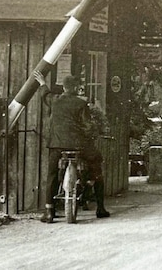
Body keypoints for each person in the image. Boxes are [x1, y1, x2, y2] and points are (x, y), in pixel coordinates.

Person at [34, 70, 110, 223]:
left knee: (52, 175)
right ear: (76, 88)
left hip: (57, 145)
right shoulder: (81, 103)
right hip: (78, 145)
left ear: (63, 88)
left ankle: (49, 211)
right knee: (96, 167)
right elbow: (88, 125)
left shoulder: (55, 100)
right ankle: (100, 208)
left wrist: (42, 83)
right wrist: (92, 135)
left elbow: (45, 95)